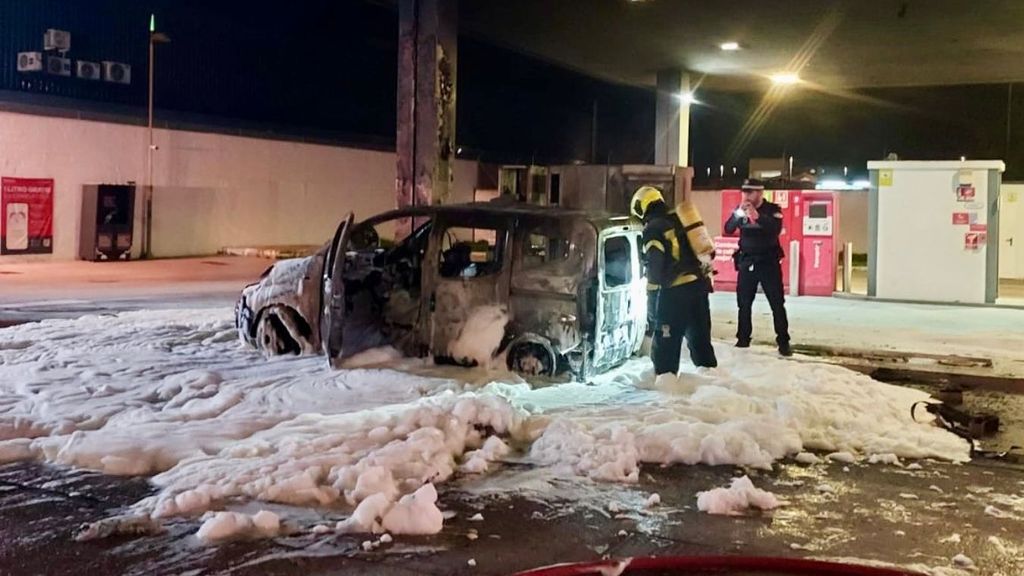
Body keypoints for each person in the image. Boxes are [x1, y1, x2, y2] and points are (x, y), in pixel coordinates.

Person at [631, 186, 718, 374]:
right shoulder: (679, 219)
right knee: (700, 339)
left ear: (642, 207)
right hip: (699, 286)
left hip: (674, 292)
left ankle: (666, 384)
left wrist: (653, 300)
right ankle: (710, 381)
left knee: (666, 342)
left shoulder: (653, 228)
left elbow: (655, 267)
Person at [724, 179, 792, 356]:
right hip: (747, 261)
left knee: (777, 303)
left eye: (750, 192)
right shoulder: (741, 210)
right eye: (744, 192)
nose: (746, 196)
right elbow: (728, 228)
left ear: (759, 193)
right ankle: (743, 339)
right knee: (744, 303)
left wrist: (758, 216)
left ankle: (783, 342)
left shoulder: (772, 210)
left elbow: (774, 230)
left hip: (768, 262)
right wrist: (739, 213)